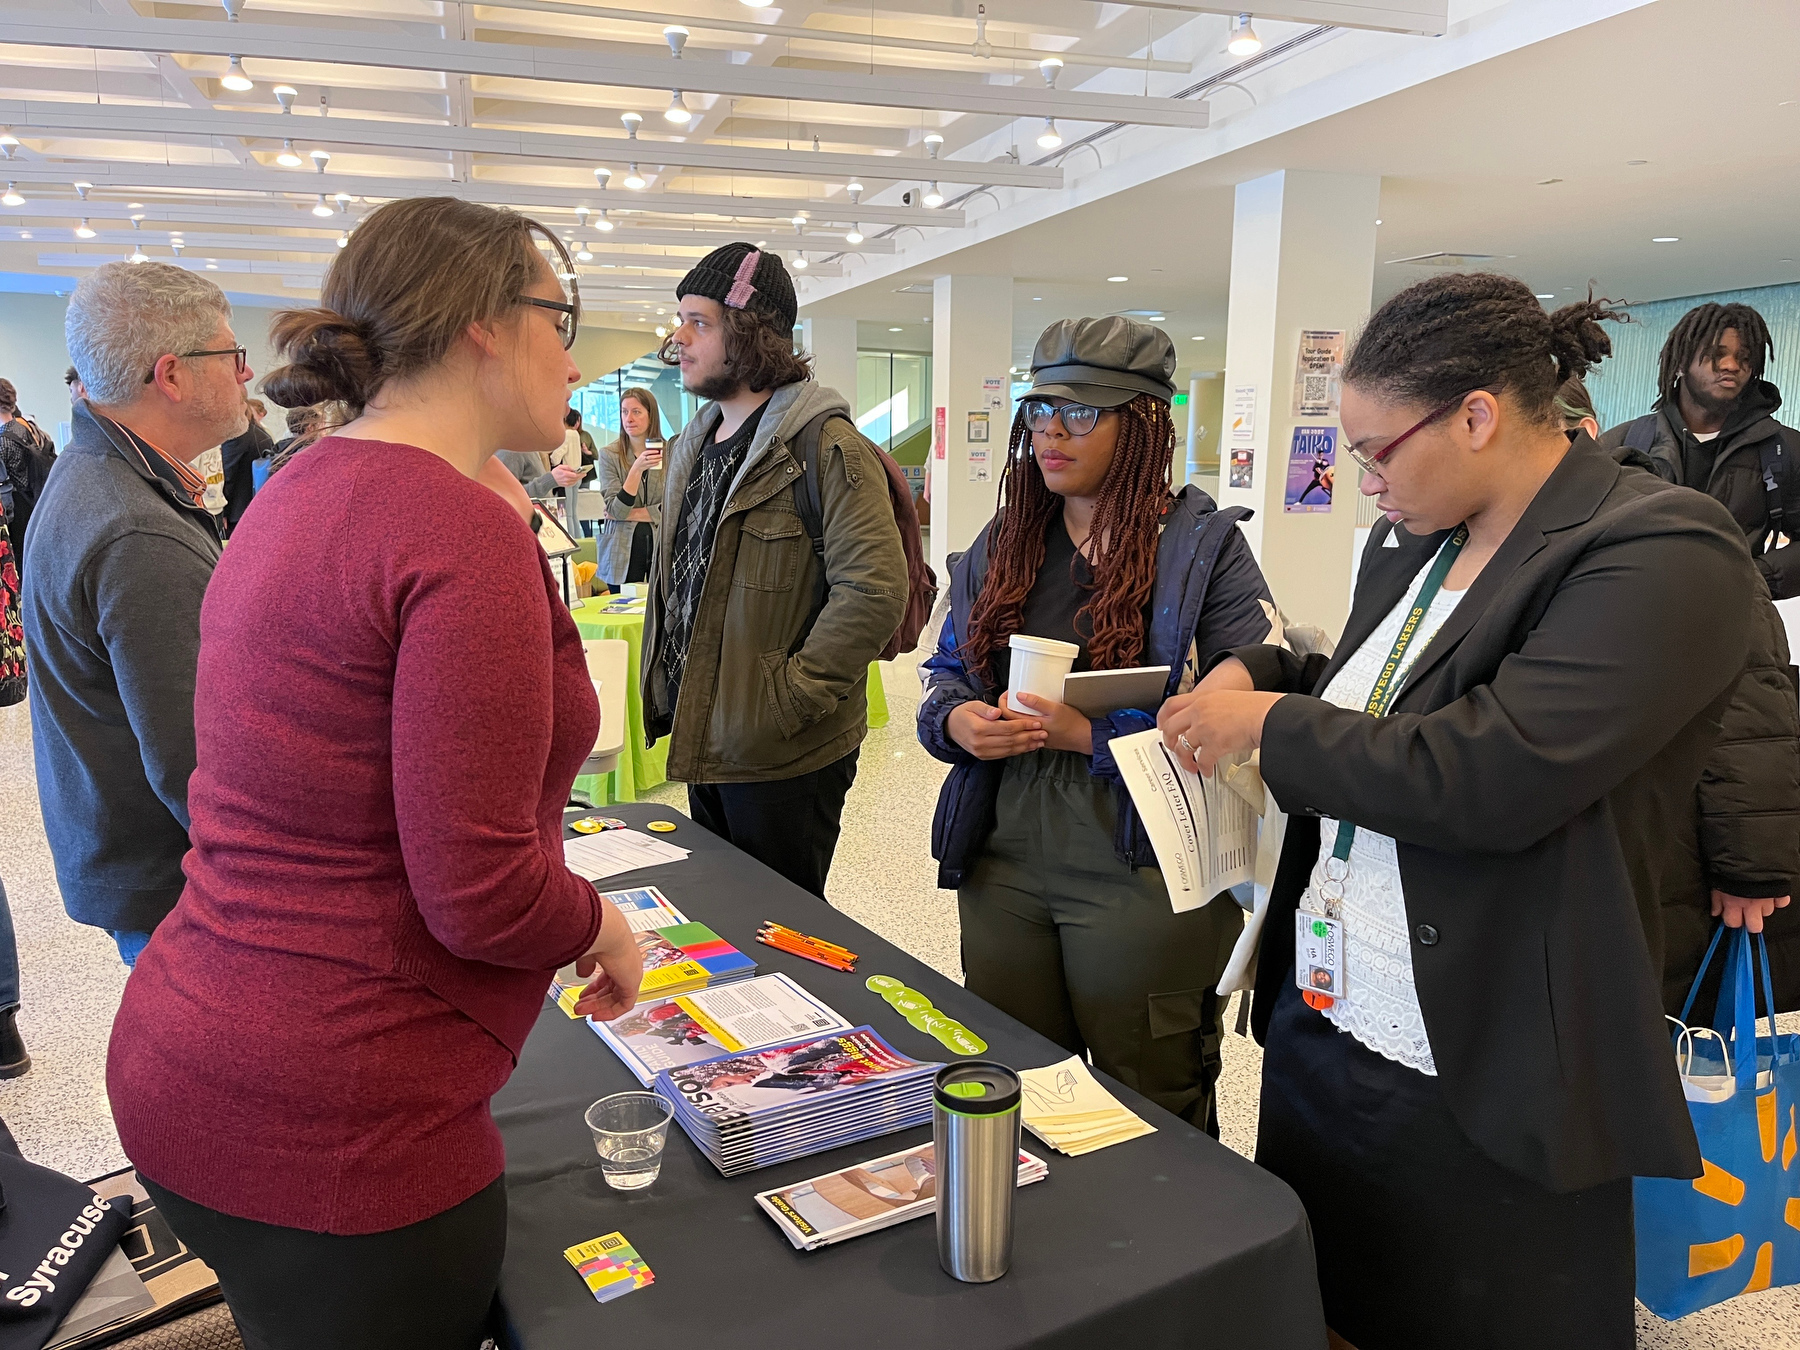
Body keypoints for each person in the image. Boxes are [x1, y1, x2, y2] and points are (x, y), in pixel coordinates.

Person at [1153, 274, 1764, 1348]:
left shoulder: (1659, 548)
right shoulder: (1416, 540)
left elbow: (1491, 772)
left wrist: (1268, 731)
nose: (1364, 482)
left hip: (1493, 1050)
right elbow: (1369, 687)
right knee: (1328, 1304)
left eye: (1377, 452)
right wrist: (1258, 671)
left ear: (1477, 417)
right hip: (1331, 1019)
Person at [105, 196, 644, 1350]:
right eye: (562, 316)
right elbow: (483, 888)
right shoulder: (456, 535)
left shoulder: (301, 488)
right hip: (342, 1120)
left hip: (191, 1058)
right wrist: (603, 925)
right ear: (482, 327)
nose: (576, 352)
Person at [916, 317, 1275, 1132]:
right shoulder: (1006, 541)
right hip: (1002, 850)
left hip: (1145, 856)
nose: (1051, 431)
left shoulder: (1201, 547)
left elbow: (1247, 699)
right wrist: (958, 723)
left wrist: (1095, 737)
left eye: (1082, 413)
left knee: (1153, 1088)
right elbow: (942, 673)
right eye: (1041, 409)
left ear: (1144, 421)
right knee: (1017, 1084)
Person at [643, 243, 906, 899]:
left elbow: (874, 590)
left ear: (750, 330)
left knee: (781, 931)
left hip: (782, 750)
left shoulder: (825, 443)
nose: (679, 338)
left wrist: (786, 700)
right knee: (724, 920)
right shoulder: (693, 446)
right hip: (708, 732)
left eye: (697, 321)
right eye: (680, 319)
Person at [23, 263, 245, 966]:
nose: (246, 375)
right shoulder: (135, 530)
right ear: (172, 375)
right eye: (231, 356)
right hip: (176, 890)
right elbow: (195, 760)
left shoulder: (100, 475)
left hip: (139, 866)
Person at [1564, 374, 1800, 1011]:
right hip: (1593, 854)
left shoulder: (1678, 536)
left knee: (1683, 1035)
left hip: (1682, 842)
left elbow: (1755, 715)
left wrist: (1752, 869)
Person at [1598, 302, 1800, 598]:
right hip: (1634, 621)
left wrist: (1752, 579)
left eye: (1744, 358)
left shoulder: (1784, 448)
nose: (1731, 366)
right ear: (1681, 362)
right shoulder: (1624, 443)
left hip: (1734, 626)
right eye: (1717, 354)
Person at [595, 386, 663, 589]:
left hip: (660, 548)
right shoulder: (609, 454)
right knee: (622, 613)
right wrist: (636, 469)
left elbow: (674, 508)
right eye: (624, 412)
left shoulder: (671, 452)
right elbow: (616, 509)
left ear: (651, 415)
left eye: (636, 412)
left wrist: (627, 514)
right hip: (620, 552)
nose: (629, 418)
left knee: (658, 617)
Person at [0, 379, 56, 573]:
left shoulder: (4, 440)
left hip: (17, 508)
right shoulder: (30, 427)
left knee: (21, 567)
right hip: (39, 498)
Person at [218, 395, 274, 533]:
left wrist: (223, 511)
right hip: (255, 504)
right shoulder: (263, 434)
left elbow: (228, 473)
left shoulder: (238, 436)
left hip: (237, 509)